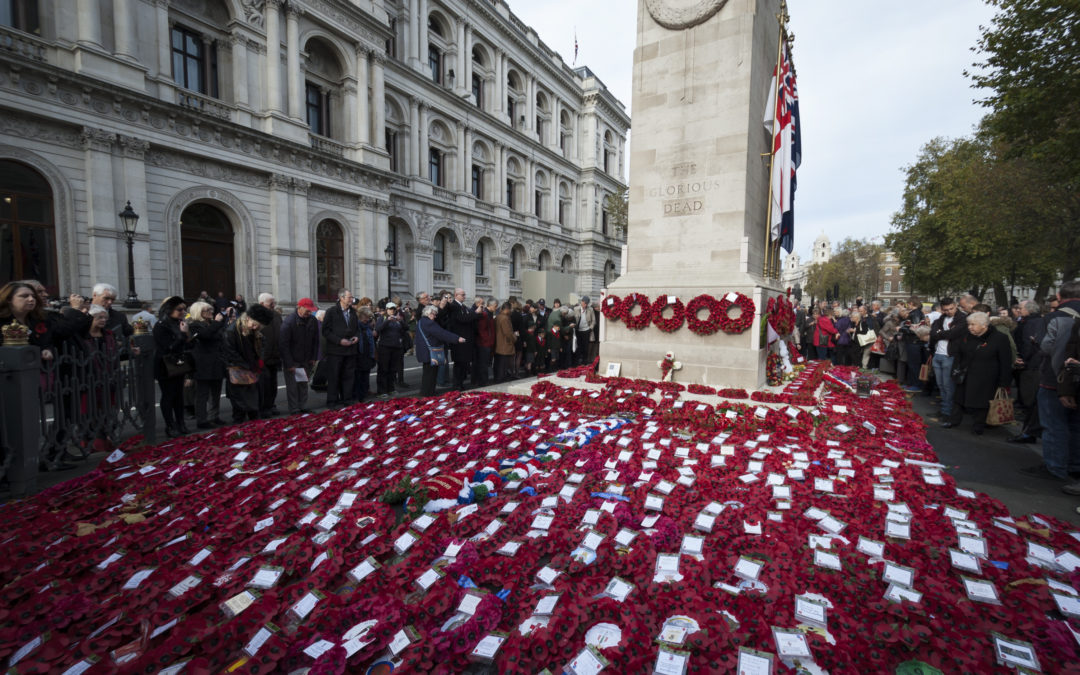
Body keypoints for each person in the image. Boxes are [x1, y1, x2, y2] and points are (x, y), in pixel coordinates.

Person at [1020, 281, 1080, 481]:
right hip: (1076, 378)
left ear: (1061, 297)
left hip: (1056, 377)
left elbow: (1046, 347)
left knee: (1054, 424)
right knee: (1074, 425)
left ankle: (1055, 466)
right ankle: (1073, 464)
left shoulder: (1056, 317)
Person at [942, 312, 1013, 435]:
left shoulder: (999, 338)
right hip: (965, 373)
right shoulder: (967, 336)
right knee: (959, 398)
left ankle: (978, 425)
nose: (970, 327)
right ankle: (953, 420)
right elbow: (959, 354)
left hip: (986, 376)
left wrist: (1004, 381)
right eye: (969, 324)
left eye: (973, 324)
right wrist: (955, 370)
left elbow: (1005, 361)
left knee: (982, 402)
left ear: (984, 325)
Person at [223, 304, 275, 422]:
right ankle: (239, 422)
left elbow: (262, 346)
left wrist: (259, 361)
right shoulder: (231, 331)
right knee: (239, 401)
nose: (255, 328)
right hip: (237, 368)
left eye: (258, 326)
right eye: (255, 324)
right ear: (247, 318)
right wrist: (247, 366)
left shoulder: (255, 332)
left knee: (254, 398)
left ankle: (254, 420)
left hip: (252, 368)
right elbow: (230, 352)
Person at [153, 296, 192, 438]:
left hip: (179, 364)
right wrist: (182, 334)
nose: (182, 312)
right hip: (165, 365)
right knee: (168, 395)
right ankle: (170, 425)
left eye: (184, 309)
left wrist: (186, 334)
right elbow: (167, 348)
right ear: (170, 309)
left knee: (179, 396)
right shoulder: (161, 325)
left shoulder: (179, 323)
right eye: (179, 309)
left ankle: (181, 423)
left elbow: (187, 345)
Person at [187, 300, 228, 429]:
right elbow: (205, 335)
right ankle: (202, 419)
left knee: (216, 392)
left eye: (211, 310)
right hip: (203, 363)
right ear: (199, 312)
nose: (211, 312)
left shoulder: (212, 324)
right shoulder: (195, 325)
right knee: (202, 393)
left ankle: (214, 416)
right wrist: (216, 322)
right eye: (207, 310)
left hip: (217, 362)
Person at [1009, 301, 1044, 444]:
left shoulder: (1030, 323)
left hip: (1031, 367)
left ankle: (1028, 433)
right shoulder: (1036, 321)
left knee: (1030, 402)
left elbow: (1027, 344)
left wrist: (1022, 359)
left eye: (1021, 308)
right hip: (1034, 365)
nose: (1018, 310)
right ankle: (1028, 432)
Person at [929, 298, 967, 423]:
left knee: (948, 386)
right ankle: (944, 409)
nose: (949, 311)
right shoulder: (941, 319)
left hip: (949, 355)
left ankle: (947, 411)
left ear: (955, 306)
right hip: (938, 354)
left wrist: (942, 333)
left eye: (951, 309)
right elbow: (933, 333)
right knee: (941, 385)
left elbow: (953, 334)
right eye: (946, 310)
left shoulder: (962, 318)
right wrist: (944, 333)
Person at [415, 304, 465, 397]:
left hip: (425, 351)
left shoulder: (422, 321)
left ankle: (427, 391)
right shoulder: (428, 322)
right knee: (430, 374)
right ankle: (428, 393)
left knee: (428, 373)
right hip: (429, 352)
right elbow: (441, 333)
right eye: (434, 314)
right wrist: (457, 338)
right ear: (429, 313)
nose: (435, 316)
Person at [281, 297, 320, 414]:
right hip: (293, 359)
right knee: (292, 386)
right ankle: (294, 408)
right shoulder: (289, 321)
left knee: (303, 384)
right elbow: (284, 345)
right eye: (307, 310)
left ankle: (302, 405)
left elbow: (315, 340)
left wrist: (313, 357)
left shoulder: (312, 320)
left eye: (311, 310)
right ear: (300, 307)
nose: (310, 312)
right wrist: (289, 363)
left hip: (306, 358)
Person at [322, 289, 360, 407]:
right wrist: (339, 341)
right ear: (342, 298)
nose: (351, 299)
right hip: (336, 350)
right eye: (349, 297)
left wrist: (356, 337)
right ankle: (332, 401)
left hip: (350, 350)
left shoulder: (353, 312)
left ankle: (347, 398)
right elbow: (325, 331)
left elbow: (357, 328)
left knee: (348, 375)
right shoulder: (331, 311)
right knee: (334, 376)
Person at [255, 293, 282, 417]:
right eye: (270, 303)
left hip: (275, 356)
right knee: (263, 385)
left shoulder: (276, 315)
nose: (273, 305)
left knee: (273, 384)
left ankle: (271, 405)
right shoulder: (255, 316)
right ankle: (263, 407)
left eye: (274, 302)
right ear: (261, 304)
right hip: (262, 357)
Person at [447, 288, 479, 390]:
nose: (464, 297)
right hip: (459, 338)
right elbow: (462, 319)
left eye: (464, 295)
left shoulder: (463, 306)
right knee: (459, 363)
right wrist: (475, 313)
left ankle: (460, 383)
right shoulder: (454, 306)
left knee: (464, 362)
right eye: (462, 295)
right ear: (456, 295)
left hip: (466, 339)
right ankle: (457, 385)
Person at [375, 302, 407, 397]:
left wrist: (400, 320)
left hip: (396, 346)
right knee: (383, 369)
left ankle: (391, 388)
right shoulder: (382, 318)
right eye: (390, 309)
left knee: (393, 369)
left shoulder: (397, 319)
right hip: (385, 347)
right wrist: (387, 321)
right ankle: (382, 391)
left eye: (393, 309)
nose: (392, 311)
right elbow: (378, 329)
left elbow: (406, 328)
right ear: (386, 309)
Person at [354, 306, 377, 401]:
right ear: (360, 316)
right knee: (358, 378)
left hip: (367, 355)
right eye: (366, 317)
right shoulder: (356, 326)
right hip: (359, 355)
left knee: (365, 377)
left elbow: (371, 341)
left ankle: (363, 396)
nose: (367, 320)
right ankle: (358, 397)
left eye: (369, 318)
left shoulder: (367, 328)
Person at [474, 298, 496, 386]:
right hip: (484, 343)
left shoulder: (488, 314)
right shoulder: (485, 315)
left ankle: (483, 380)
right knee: (483, 364)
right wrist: (486, 340)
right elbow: (482, 329)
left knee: (485, 363)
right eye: (495, 306)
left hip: (487, 342)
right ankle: (483, 381)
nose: (496, 308)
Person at [494, 302, 516, 382]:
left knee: (499, 364)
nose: (511, 311)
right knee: (503, 365)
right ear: (507, 309)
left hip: (500, 345)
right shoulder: (505, 318)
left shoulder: (498, 317)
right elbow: (508, 333)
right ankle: (501, 379)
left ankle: (499, 378)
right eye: (511, 309)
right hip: (505, 345)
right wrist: (514, 338)